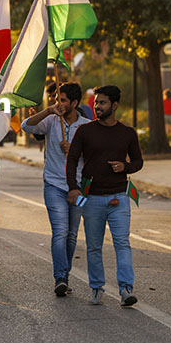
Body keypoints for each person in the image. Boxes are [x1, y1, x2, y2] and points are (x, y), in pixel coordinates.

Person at [66, 85, 143, 307]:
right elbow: (72, 160)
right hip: (91, 199)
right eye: (96, 102)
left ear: (115, 105)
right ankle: (97, 288)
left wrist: (125, 167)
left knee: (122, 243)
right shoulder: (85, 131)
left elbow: (138, 162)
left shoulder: (127, 133)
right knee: (93, 246)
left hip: (119, 197)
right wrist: (73, 187)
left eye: (102, 103)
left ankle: (126, 289)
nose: (97, 106)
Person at [21, 82, 90, 296]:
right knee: (59, 231)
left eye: (63, 100)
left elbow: (95, 158)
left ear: (74, 103)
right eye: (56, 99)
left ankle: (65, 274)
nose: (57, 103)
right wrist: (48, 111)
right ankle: (60, 276)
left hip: (79, 188)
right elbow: (27, 126)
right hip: (53, 185)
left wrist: (75, 151)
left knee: (71, 235)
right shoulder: (51, 121)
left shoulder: (86, 127)